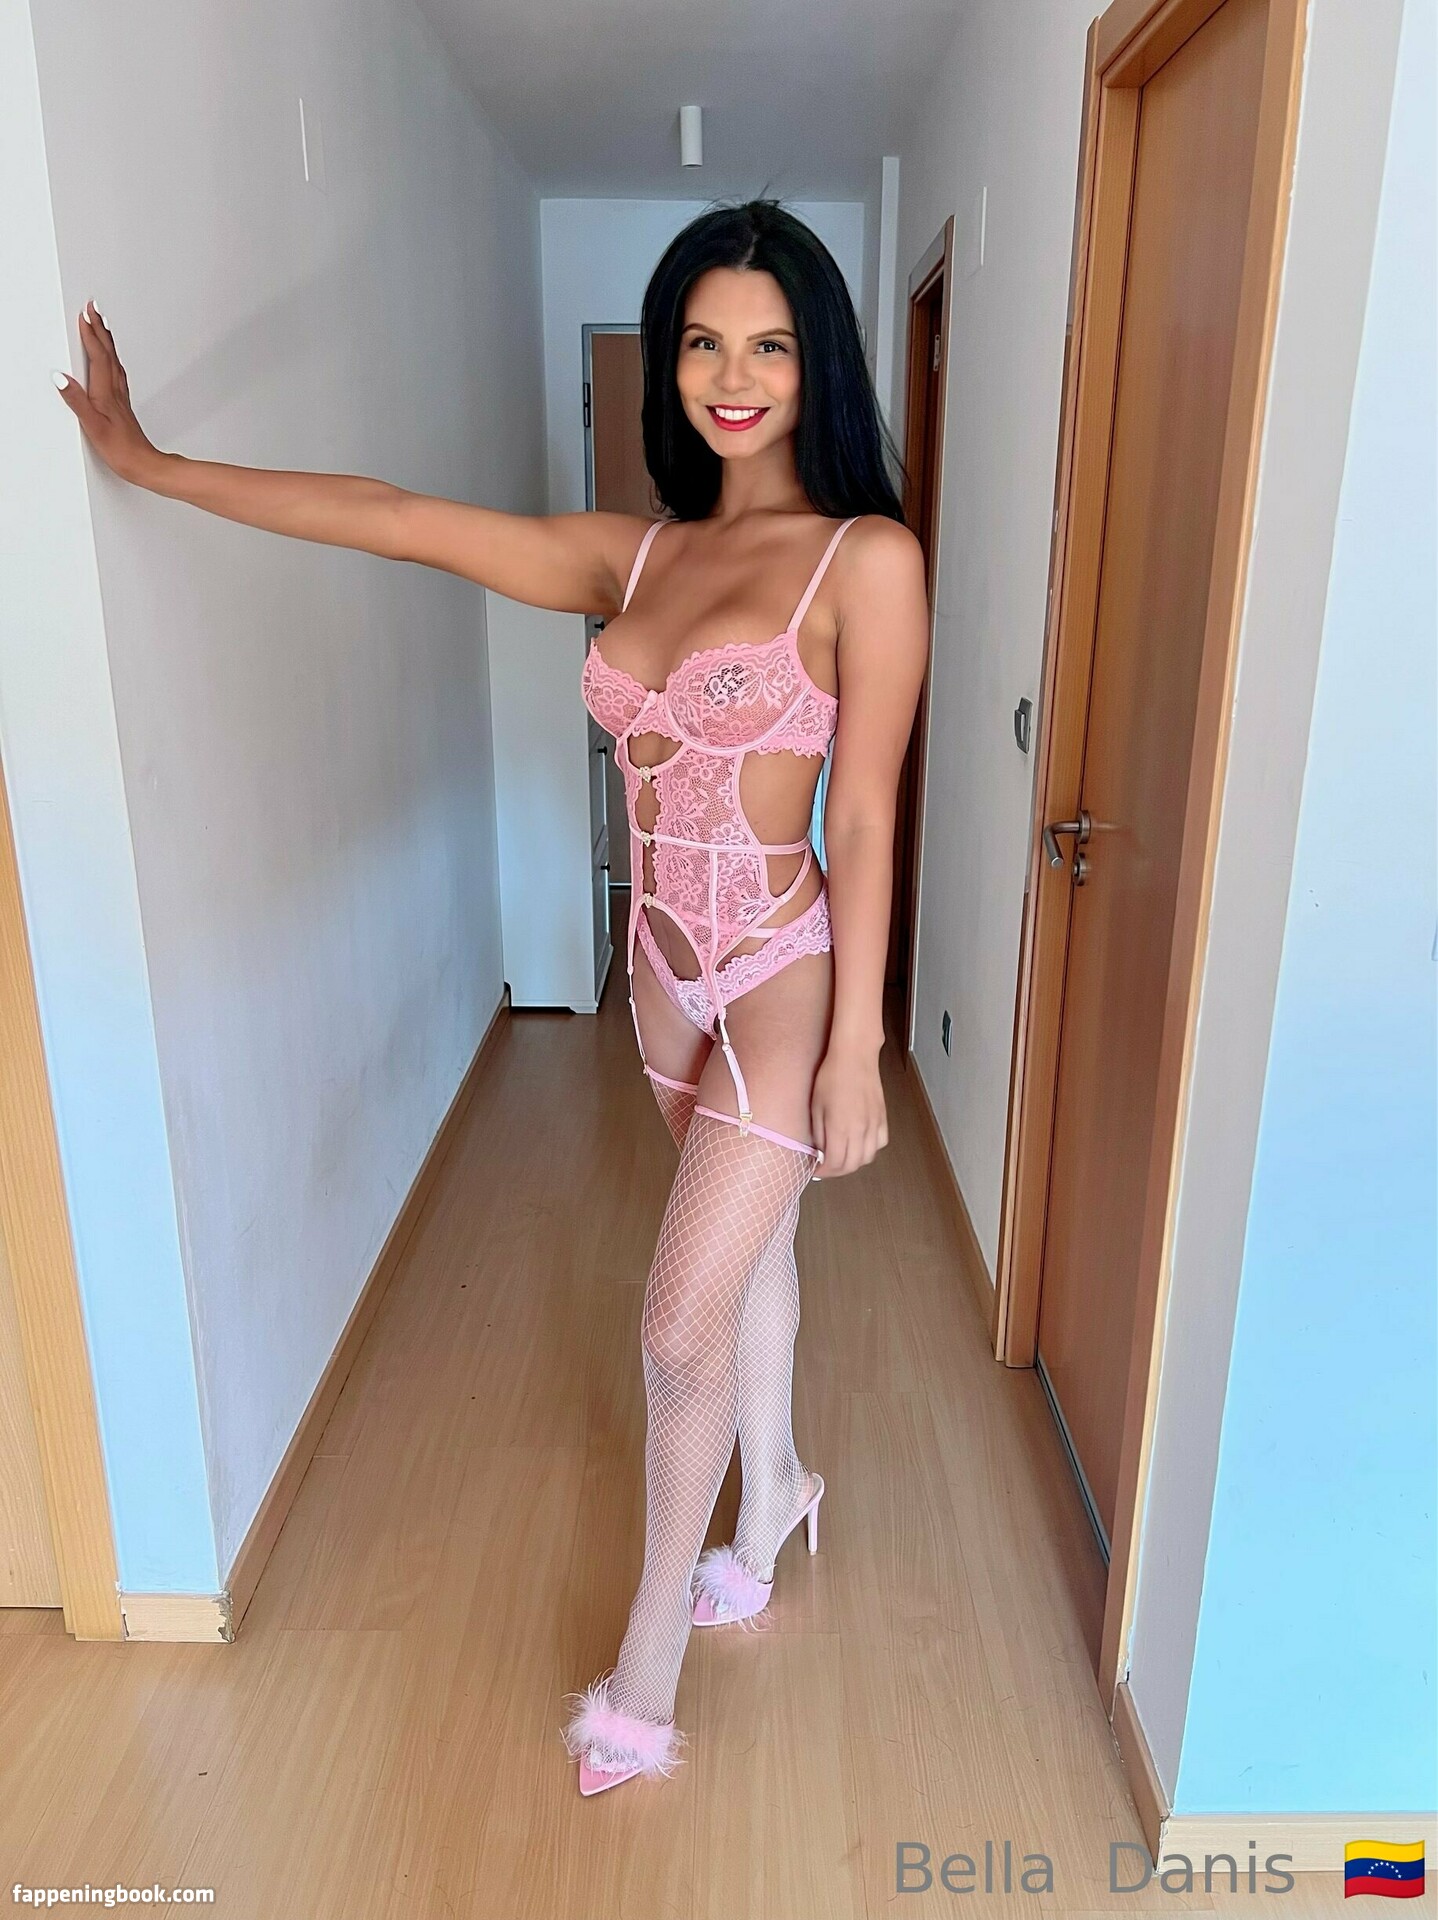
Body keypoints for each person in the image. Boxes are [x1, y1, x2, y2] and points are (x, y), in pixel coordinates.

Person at [53, 196, 930, 1798]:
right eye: (703, 344)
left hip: (779, 971)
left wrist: (860, 1042)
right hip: (654, 977)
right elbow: (393, 518)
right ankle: (775, 1489)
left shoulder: (862, 559)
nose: (734, 378)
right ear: (670, 362)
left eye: (770, 346)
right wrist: (154, 465)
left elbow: (862, 813)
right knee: (753, 1245)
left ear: (820, 363)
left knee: (675, 1322)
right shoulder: (629, 552)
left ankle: (645, 1672)